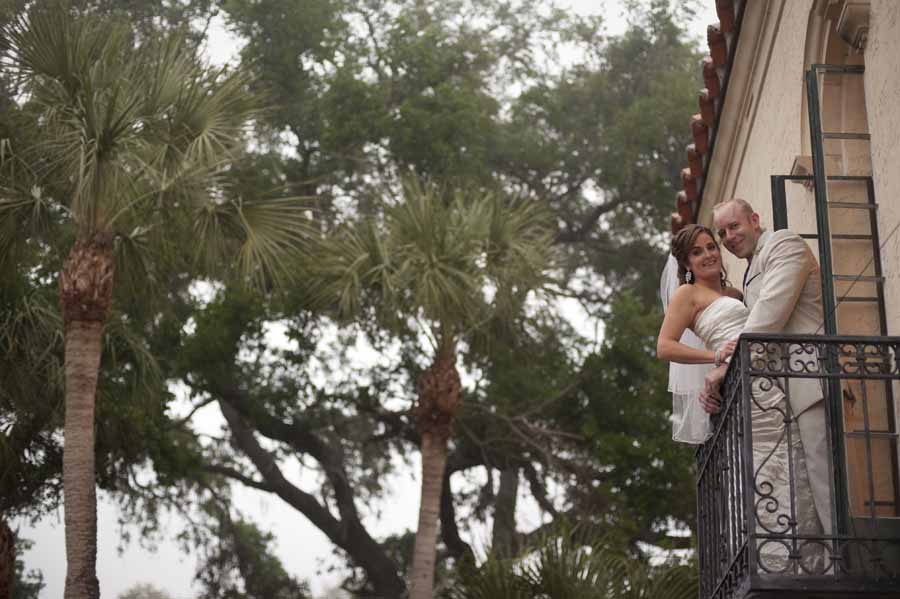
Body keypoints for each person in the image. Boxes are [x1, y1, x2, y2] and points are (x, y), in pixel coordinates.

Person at [657, 223, 823, 573]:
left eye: (711, 246)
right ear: (686, 263)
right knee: (758, 468)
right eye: (697, 252)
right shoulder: (687, 295)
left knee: (791, 466)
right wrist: (715, 358)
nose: (708, 255)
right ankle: (770, 563)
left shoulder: (736, 294)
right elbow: (664, 347)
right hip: (740, 389)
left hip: (772, 387)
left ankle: (806, 559)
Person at [705, 198, 832, 537]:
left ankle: (844, 559)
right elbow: (756, 324)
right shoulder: (749, 274)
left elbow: (771, 313)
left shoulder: (783, 242)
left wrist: (730, 364)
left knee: (826, 481)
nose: (729, 236)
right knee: (805, 486)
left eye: (735, 226)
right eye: (722, 232)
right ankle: (828, 561)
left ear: (755, 219)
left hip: (809, 379)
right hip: (778, 398)